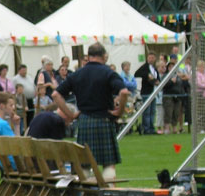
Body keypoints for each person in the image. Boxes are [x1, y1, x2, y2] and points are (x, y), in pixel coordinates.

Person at [51, 42, 129, 180]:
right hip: (104, 119)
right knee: (108, 164)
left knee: (85, 164)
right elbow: (123, 92)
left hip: (85, 121)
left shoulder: (77, 74)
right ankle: (108, 195)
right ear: (104, 56)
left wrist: (71, 115)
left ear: (89, 56)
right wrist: (119, 112)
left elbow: (55, 95)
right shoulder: (109, 72)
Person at [133, 53, 158, 135]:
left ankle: (151, 127)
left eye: (153, 57)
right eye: (150, 57)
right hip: (146, 92)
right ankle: (146, 128)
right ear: (147, 58)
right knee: (147, 112)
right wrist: (147, 75)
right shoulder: (144, 67)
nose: (151, 59)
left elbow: (156, 78)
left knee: (152, 111)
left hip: (154, 92)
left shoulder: (154, 68)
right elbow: (136, 74)